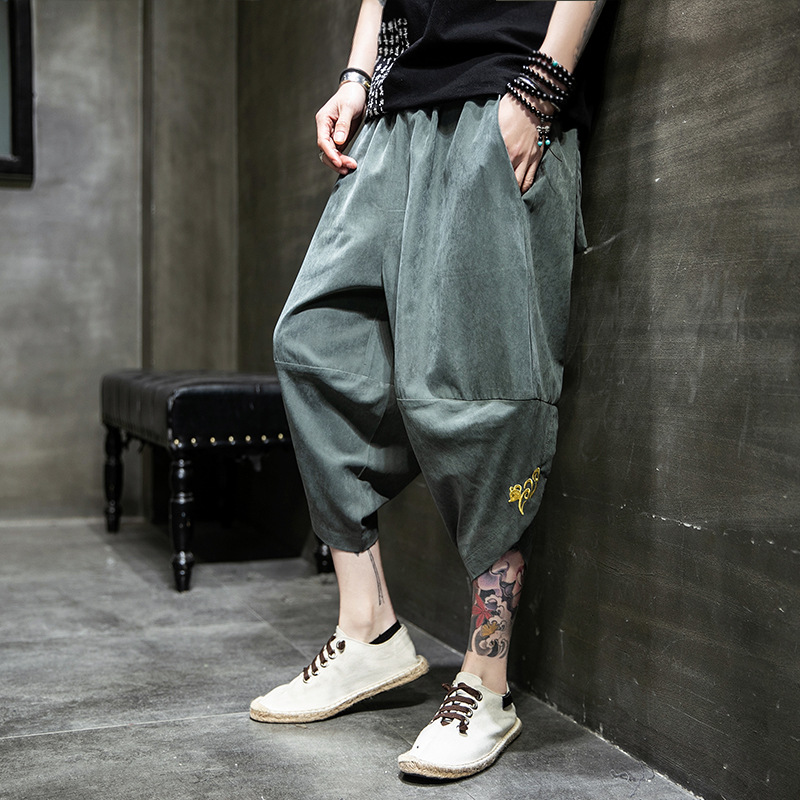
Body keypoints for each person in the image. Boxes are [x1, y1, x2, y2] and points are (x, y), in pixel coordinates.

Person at [250, 0, 608, 780]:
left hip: (503, 91)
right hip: (395, 113)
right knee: (312, 346)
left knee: (480, 388)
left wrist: (542, 86)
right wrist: (358, 77)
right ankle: (369, 631)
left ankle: (487, 682)